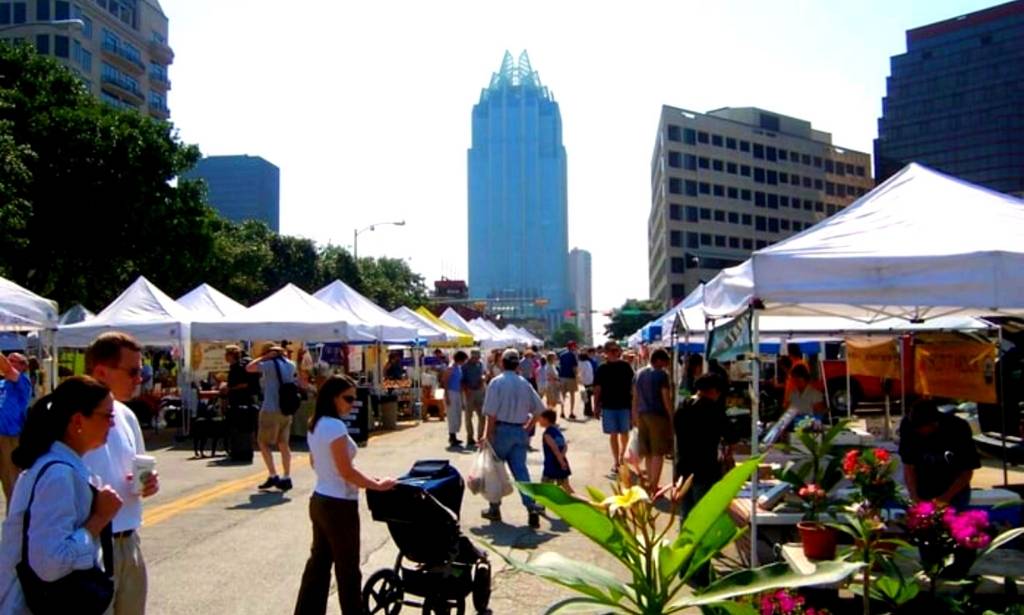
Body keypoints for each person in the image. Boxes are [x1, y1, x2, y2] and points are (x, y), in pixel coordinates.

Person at [0, 376, 124, 614]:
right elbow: (50, 563)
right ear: (78, 420)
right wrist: (99, 519)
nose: (113, 424)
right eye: (107, 416)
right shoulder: (58, 475)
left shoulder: (62, 467)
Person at [294, 375, 396, 615]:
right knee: (347, 568)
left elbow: (316, 462)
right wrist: (376, 485)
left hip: (320, 497)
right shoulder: (334, 426)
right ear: (333, 398)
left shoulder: (316, 423)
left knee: (319, 563)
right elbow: (347, 471)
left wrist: (361, 479)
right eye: (348, 398)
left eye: (354, 398)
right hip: (338, 504)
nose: (352, 403)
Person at [81, 332, 159, 615]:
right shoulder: (68, 417)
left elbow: (137, 467)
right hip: (90, 545)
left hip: (129, 542)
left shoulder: (126, 414)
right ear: (101, 371)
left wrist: (148, 482)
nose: (140, 378)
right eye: (133, 371)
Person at [480, 349, 546, 528]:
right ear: (517, 364)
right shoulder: (524, 383)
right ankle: (531, 506)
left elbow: (491, 415)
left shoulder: (496, 383)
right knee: (521, 472)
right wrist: (528, 427)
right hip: (519, 431)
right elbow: (540, 409)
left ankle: (494, 508)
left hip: (500, 430)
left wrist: (486, 436)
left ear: (502, 362)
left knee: (494, 471)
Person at [899, 400, 980, 508]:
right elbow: (909, 466)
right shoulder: (908, 426)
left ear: (934, 423)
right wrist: (914, 496)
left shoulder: (958, 428)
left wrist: (945, 498)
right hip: (924, 488)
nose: (917, 431)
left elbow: (967, 472)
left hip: (955, 490)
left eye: (920, 428)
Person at [674, 373, 733, 518]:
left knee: (686, 514)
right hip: (706, 469)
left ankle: (686, 541)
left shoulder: (682, 407)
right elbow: (732, 435)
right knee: (704, 515)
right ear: (713, 391)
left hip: (684, 467)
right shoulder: (714, 410)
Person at [247, 343, 298, 492]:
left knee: (262, 442)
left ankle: (273, 474)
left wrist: (264, 357)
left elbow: (249, 368)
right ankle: (287, 476)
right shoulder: (291, 364)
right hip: (286, 410)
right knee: (283, 443)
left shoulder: (268, 364)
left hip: (271, 408)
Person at [633, 349, 674, 490]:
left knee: (648, 452)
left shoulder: (639, 373)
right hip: (658, 416)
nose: (667, 363)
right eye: (666, 360)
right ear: (659, 360)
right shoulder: (662, 375)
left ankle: (651, 482)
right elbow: (666, 398)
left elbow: (635, 396)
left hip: (642, 415)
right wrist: (671, 417)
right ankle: (654, 485)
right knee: (658, 452)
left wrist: (634, 415)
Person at [593, 341, 634, 476]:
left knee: (625, 433)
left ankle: (623, 457)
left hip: (624, 405)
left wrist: (635, 405)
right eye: (611, 350)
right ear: (606, 352)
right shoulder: (602, 369)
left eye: (616, 350)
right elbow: (597, 388)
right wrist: (596, 405)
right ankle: (616, 461)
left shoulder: (626, 366)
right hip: (609, 406)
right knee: (613, 434)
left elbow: (633, 387)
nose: (614, 352)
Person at [0, 352, 32, 509]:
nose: (9, 362)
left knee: (11, 481)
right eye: (8, 359)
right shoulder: (2, 384)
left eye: (14, 360)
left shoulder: (23, 382)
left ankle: (15, 519)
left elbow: (6, 368)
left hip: (10, 437)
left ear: (23, 366)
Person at [538, 410, 572, 493]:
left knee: (544, 487)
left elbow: (555, 449)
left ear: (546, 420)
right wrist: (562, 458)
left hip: (552, 464)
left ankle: (541, 504)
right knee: (566, 487)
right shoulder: (557, 431)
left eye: (541, 419)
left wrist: (560, 461)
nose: (539, 421)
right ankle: (580, 502)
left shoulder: (547, 434)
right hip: (561, 462)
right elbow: (565, 446)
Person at [443, 351, 467, 448]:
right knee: (452, 415)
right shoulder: (451, 368)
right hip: (451, 392)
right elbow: (445, 381)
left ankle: (454, 435)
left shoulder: (458, 368)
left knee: (457, 414)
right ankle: (452, 436)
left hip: (457, 392)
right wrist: (447, 395)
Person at [556, 341, 580, 419]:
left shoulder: (562, 355)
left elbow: (559, 366)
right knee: (572, 395)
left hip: (562, 377)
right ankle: (571, 412)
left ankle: (562, 412)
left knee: (563, 395)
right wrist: (577, 377)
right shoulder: (573, 355)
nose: (575, 347)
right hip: (571, 377)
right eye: (574, 346)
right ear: (572, 347)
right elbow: (574, 367)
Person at [578, 351, 595, 417]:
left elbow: (579, 372)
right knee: (589, 398)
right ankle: (588, 411)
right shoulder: (588, 363)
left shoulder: (580, 363)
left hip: (583, 382)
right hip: (590, 382)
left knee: (585, 398)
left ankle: (586, 411)